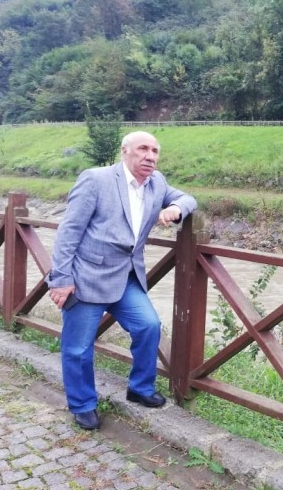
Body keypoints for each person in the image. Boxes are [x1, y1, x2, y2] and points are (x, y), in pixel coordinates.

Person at [47, 131, 197, 430]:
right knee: (78, 348)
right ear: (124, 151)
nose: (150, 156)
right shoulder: (96, 179)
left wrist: (176, 209)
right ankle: (83, 404)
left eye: (155, 151)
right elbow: (69, 231)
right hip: (87, 277)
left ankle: (140, 388)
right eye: (143, 149)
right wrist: (61, 278)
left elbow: (187, 198)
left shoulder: (157, 182)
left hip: (126, 276)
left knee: (148, 326)